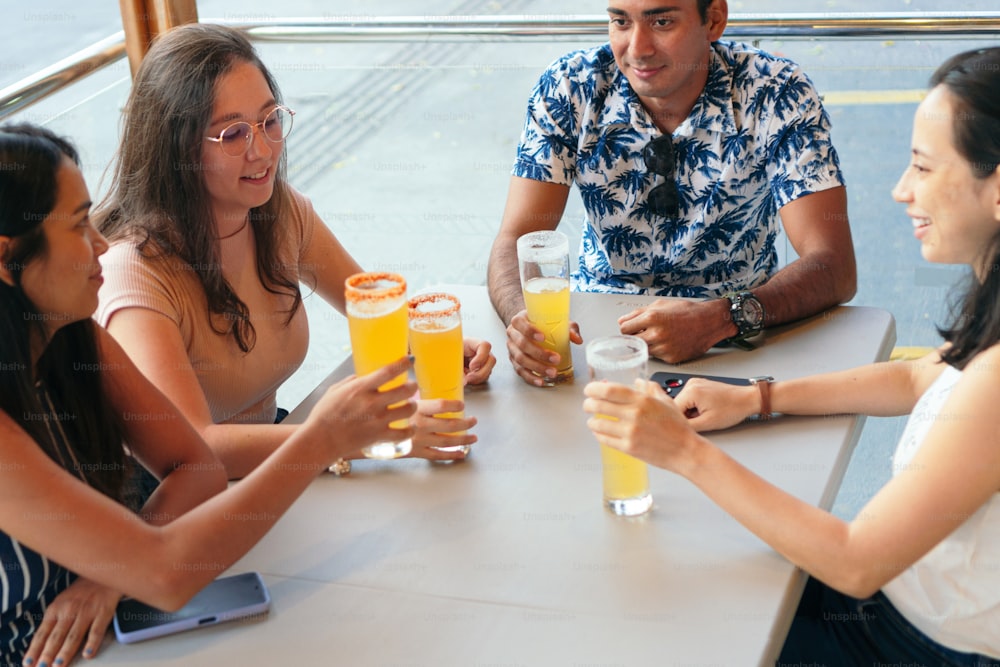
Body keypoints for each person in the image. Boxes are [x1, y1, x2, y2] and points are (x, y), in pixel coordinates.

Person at [584, 46, 1000, 665]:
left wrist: (684, 453)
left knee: (656, 619)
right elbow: (923, 375)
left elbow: (856, 562)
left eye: (923, 168)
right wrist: (758, 397)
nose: (900, 190)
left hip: (913, 643)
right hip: (902, 605)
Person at [0, 123, 417, 667]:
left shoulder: (70, 332)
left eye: (271, 121)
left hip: (120, 633)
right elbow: (166, 573)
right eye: (79, 225)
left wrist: (113, 570)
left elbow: (198, 467)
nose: (101, 242)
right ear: (8, 256)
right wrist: (322, 438)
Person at [94, 23, 495, 480]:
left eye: (269, 121)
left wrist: (436, 345)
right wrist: (360, 437)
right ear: (175, 148)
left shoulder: (275, 211)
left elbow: (371, 304)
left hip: (271, 465)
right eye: (232, 135)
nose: (262, 150)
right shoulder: (134, 273)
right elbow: (193, 449)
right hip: (172, 504)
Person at [488, 0, 857, 383]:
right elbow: (514, 238)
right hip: (597, 336)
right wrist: (521, 320)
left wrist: (722, 317)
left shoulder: (775, 90)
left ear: (713, 20)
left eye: (661, 22)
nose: (637, 48)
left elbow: (833, 264)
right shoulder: (570, 86)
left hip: (744, 333)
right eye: (620, 22)